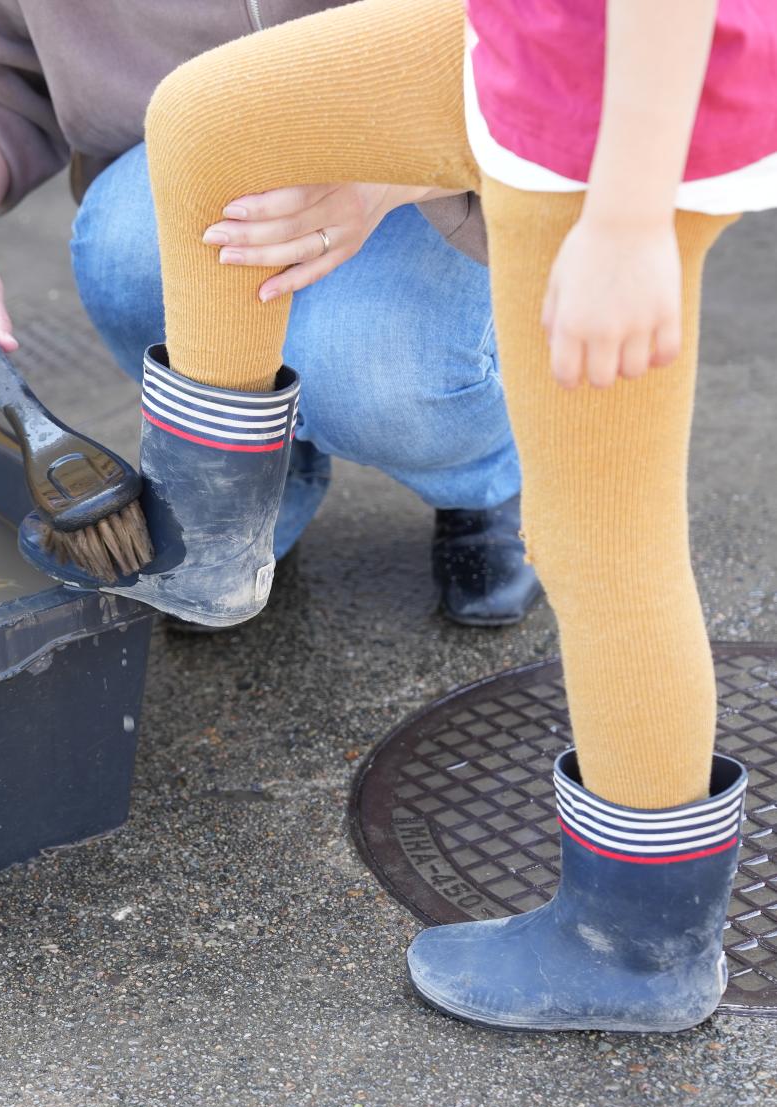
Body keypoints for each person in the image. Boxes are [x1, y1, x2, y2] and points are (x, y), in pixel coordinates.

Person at [57, 0, 769, 1031]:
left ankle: (635, 950)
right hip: (527, 42)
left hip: (603, 125)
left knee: (600, 546)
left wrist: (624, 219)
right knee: (208, 117)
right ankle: (211, 538)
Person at [0, 1, 541, 627]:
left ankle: (489, 481)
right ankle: (253, 488)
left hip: (453, 152)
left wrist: (393, 173)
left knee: (374, 361)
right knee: (124, 249)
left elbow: (566, 44)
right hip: (194, 165)